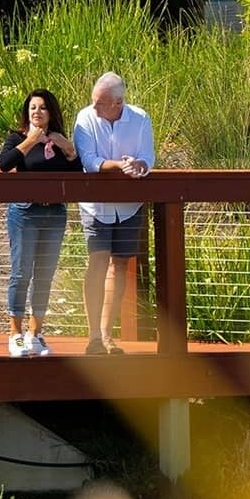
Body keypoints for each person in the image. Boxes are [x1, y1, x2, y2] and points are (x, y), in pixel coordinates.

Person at [72, 71, 154, 355]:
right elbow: (89, 161)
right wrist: (119, 165)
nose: (94, 107)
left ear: (117, 102)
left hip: (129, 205)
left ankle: (107, 335)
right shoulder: (84, 118)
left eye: (100, 103)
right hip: (95, 206)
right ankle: (93, 336)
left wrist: (139, 165)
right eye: (94, 101)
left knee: (120, 264)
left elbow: (148, 156)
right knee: (97, 261)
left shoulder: (140, 118)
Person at [0, 88, 82, 357]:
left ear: (51, 113)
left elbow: (77, 171)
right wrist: (30, 141)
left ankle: (36, 333)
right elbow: (4, 164)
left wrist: (68, 149)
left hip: (54, 214)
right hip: (25, 213)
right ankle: (15, 334)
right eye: (33, 107)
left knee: (45, 274)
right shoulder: (17, 138)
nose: (37, 112)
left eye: (43, 107)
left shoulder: (59, 140)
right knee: (21, 272)